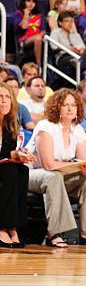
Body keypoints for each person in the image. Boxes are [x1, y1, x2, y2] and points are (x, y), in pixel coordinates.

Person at [27, 89, 86, 247]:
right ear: (57, 107)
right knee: (53, 177)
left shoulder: (78, 130)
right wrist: (74, 165)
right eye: (65, 105)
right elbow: (48, 165)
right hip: (32, 174)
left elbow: (84, 161)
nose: (70, 109)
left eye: (73, 105)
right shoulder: (46, 126)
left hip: (60, 174)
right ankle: (53, 233)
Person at [0, 83, 33, 248]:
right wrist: (11, 156)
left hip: (4, 166)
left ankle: (12, 226)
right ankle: (2, 227)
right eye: (0, 97)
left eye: (7, 97)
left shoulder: (10, 125)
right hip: (3, 168)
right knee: (9, 170)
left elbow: (11, 152)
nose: (3, 101)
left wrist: (21, 155)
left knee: (22, 170)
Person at [14, 0, 45, 66]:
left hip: (38, 38)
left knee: (39, 38)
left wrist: (40, 36)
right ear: (24, 2)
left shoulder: (39, 15)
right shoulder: (19, 13)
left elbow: (43, 30)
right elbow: (24, 26)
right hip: (24, 39)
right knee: (38, 38)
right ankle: (38, 64)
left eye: (33, 2)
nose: (31, 4)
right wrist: (26, 14)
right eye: (28, 1)